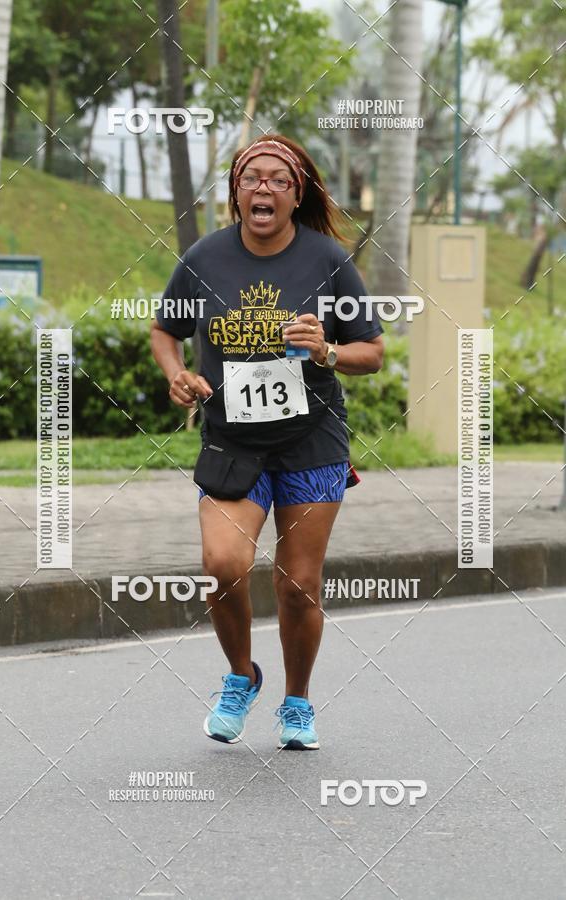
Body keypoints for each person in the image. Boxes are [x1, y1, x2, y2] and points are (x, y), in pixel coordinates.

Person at [151, 134, 384, 750]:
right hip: (233, 440)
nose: (264, 187)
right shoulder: (205, 258)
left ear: (295, 192)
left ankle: (298, 702)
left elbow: (373, 353)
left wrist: (326, 349)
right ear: (235, 191)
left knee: (298, 582)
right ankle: (240, 676)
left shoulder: (327, 260)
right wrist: (177, 373)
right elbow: (164, 330)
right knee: (224, 565)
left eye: (278, 180)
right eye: (252, 177)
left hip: (311, 440)